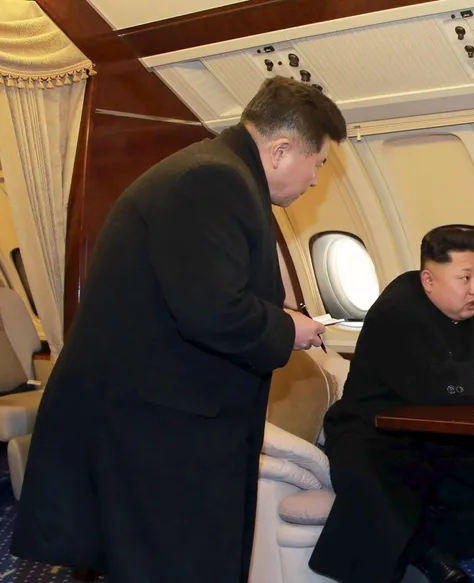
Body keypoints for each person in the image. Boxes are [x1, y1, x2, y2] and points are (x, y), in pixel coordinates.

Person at [11, 76, 346, 583]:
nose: (316, 180)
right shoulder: (213, 180)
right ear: (280, 150)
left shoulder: (215, 171)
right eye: (317, 163)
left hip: (163, 419)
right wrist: (287, 328)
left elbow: (201, 290)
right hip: (156, 430)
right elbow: (213, 311)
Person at [310, 226, 474, 583]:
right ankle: (427, 555)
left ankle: (450, 547)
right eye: (464, 278)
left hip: (445, 427)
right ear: (428, 280)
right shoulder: (396, 312)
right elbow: (425, 383)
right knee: (388, 485)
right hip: (374, 428)